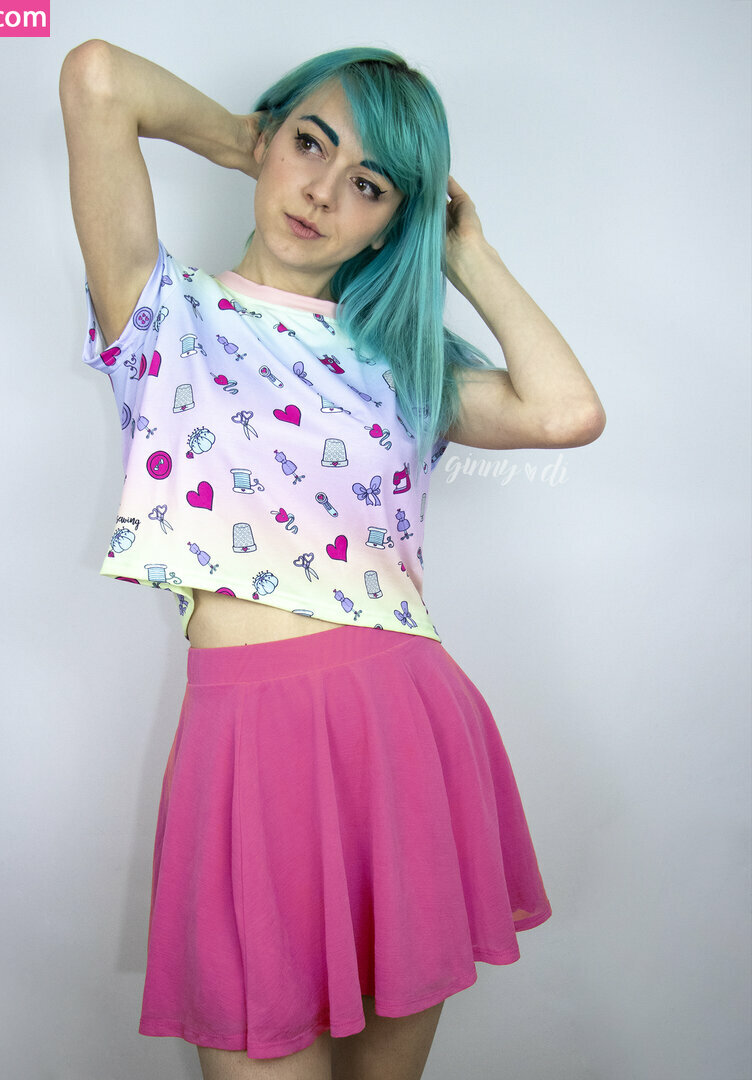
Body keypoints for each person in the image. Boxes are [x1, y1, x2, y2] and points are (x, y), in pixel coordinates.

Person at [59, 39, 605, 1080]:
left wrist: (462, 250)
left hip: (398, 729)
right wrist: (249, 139)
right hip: (242, 743)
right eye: (312, 146)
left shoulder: (403, 365)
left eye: (369, 186)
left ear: (394, 221)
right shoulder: (163, 313)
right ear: (271, 139)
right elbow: (96, 77)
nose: (322, 192)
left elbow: (565, 412)